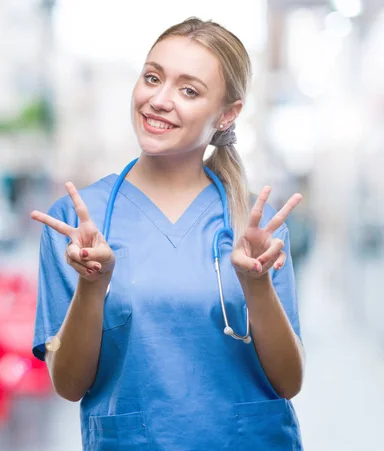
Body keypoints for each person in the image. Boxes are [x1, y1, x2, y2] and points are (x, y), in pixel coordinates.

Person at [30, 17, 305, 450]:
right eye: (152, 77)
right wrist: (91, 286)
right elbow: (68, 385)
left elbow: (289, 381)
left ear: (227, 114)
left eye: (189, 90)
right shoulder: (78, 221)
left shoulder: (255, 225)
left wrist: (257, 286)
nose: (159, 100)